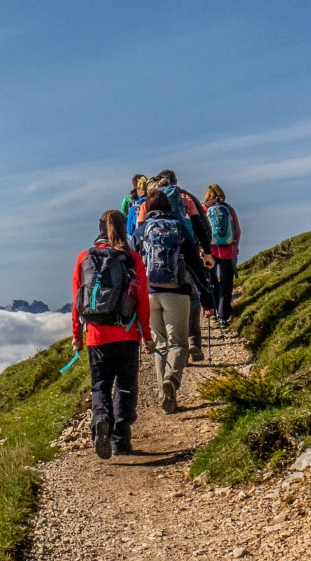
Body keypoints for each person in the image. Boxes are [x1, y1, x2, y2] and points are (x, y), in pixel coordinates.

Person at [71, 209, 152, 459]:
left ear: (99, 230)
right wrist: (147, 335)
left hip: (96, 335)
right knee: (125, 386)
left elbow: (77, 300)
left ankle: (101, 419)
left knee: (101, 385)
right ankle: (120, 441)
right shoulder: (132, 258)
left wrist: (77, 334)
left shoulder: (84, 257)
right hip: (126, 334)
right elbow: (142, 301)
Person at [134, 192, 194, 414]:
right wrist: (207, 296)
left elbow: (135, 261)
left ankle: (163, 396)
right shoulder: (179, 226)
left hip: (150, 293)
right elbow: (194, 261)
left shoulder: (142, 231)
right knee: (178, 344)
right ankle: (172, 379)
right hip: (177, 291)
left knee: (160, 344)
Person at [150, 170, 215, 362]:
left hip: (158, 261)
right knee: (191, 297)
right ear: (175, 182)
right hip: (187, 252)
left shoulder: (151, 200)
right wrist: (207, 251)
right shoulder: (186, 198)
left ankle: (175, 348)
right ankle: (193, 340)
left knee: (165, 301)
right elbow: (201, 224)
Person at [204, 183, 241, 322]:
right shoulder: (229, 209)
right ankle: (223, 316)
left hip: (210, 252)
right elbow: (237, 230)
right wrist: (235, 246)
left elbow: (199, 232)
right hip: (228, 251)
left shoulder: (203, 209)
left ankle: (213, 312)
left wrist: (202, 250)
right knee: (226, 284)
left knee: (212, 282)